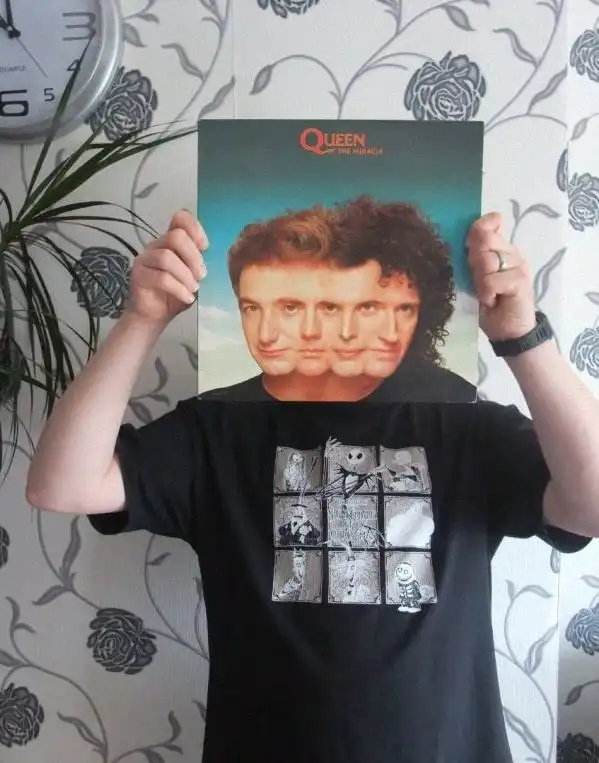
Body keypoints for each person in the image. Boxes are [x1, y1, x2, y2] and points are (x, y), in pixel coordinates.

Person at [25, 209, 599, 763]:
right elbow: (62, 486)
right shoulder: (217, 426)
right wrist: (142, 319)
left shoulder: (463, 421)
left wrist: (523, 337)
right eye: (262, 306)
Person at [212, 194, 475, 402]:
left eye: (289, 307)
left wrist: (504, 338)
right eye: (251, 308)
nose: (266, 335)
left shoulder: (452, 397)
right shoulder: (213, 411)